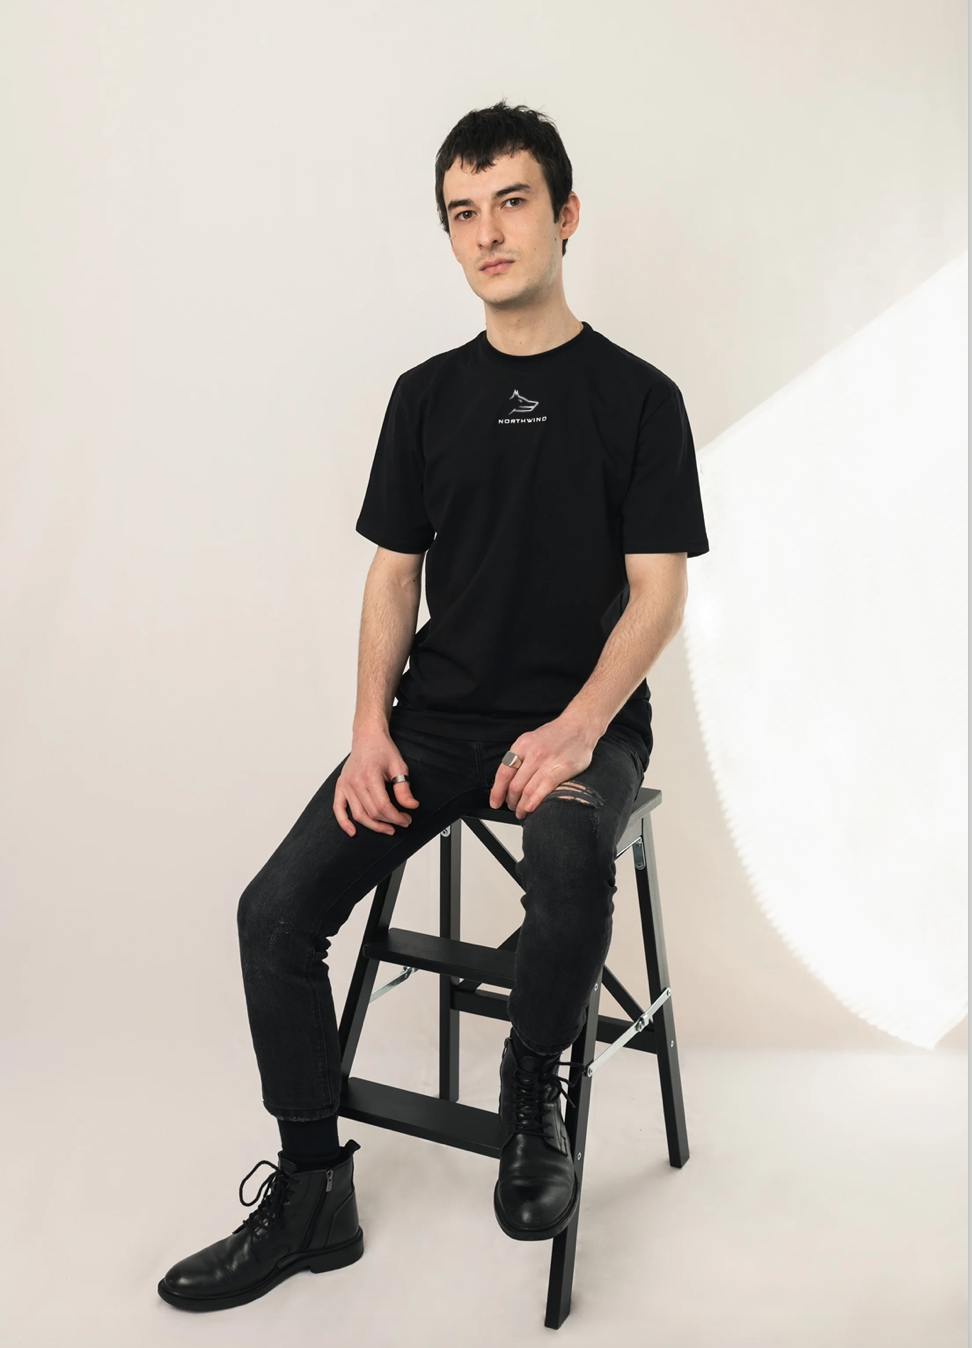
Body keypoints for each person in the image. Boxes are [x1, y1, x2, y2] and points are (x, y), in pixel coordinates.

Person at [158, 100, 709, 1313]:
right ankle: (314, 1191)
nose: (488, 233)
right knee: (273, 914)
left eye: (512, 202)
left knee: (569, 850)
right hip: (434, 725)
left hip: (581, 720)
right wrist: (369, 729)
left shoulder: (639, 397)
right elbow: (392, 574)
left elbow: (659, 596)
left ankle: (531, 1096)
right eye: (464, 213)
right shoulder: (426, 396)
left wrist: (578, 728)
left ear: (566, 215)